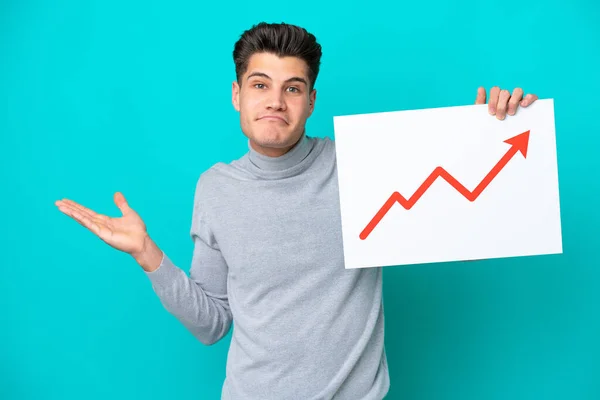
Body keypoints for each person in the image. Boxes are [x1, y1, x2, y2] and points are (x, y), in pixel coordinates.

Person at [55, 22, 539, 400]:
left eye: (292, 88)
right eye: (261, 85)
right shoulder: (216, 188)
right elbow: (212, 323)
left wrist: (490, 129)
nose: (275, 101)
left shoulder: (365, 163)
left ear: (310, 101)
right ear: (237, 95)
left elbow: (465, 194)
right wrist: (148, 255)